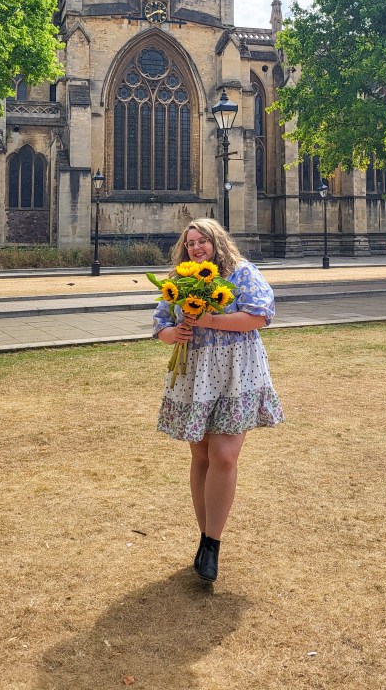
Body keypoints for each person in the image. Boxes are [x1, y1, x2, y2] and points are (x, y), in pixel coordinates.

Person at [153, 218, 284, 583]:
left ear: (217, 243)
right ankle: (204, 536)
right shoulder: (180, 280)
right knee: (200, 455)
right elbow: (159, 322)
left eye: (202, 241)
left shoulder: (241, 273)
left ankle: (212, 543)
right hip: (195, 374)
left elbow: (259, 316)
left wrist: (207, 318)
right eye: (190, 243)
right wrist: (171, 332)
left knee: (223, 456)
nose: (196, 248)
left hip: (235, 374)